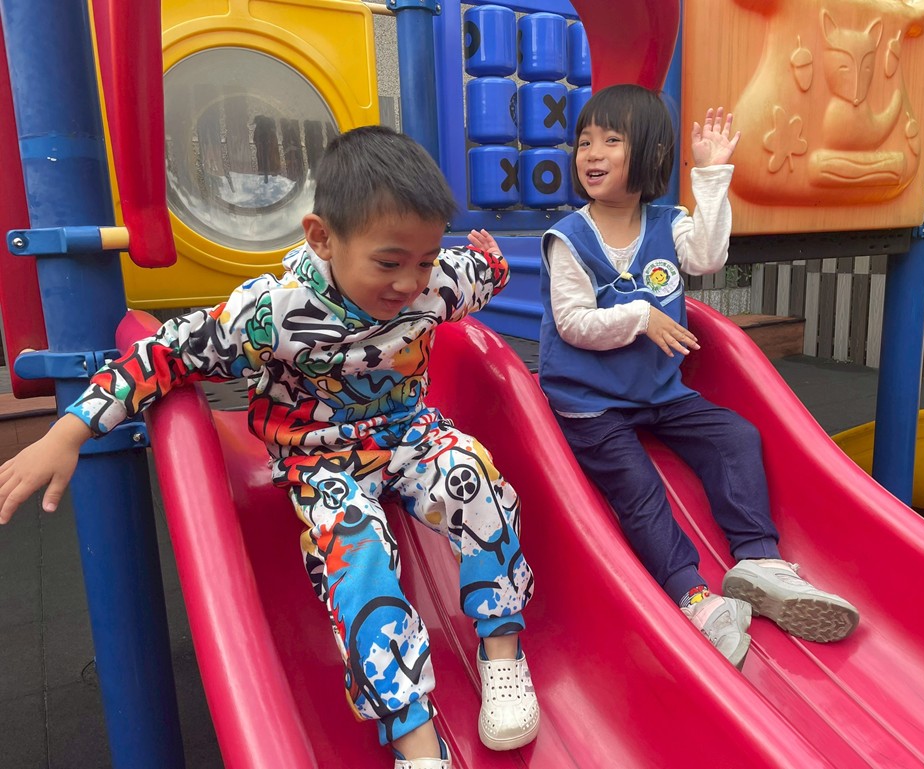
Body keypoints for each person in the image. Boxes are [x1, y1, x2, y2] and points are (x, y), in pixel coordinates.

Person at [0, 126, 539, 769]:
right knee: (357, 557)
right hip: (321, 458)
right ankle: (413, 733)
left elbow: (484, 271)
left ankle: (501, 649)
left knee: (474, 474)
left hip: (408, 431)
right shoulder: (275, 311)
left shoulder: (438, 284)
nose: (409, 283)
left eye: (425, 260)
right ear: (322, 238)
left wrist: (488, 257)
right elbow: (167, 354)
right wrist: (70, 430)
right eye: (389, 262)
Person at [539, 84, 858, 669]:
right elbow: (574, 324)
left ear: (651, 154)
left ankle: (758, 561)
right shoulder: (570, 239)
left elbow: (708, 257)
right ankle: (694, 598)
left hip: (660, 392)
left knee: (735, 436)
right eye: (585, 142)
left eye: (612, 140)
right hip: (591, 402)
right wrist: (641, 315)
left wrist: (711, 175)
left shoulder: (669, 223)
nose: (592, 153)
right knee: (638, 488)